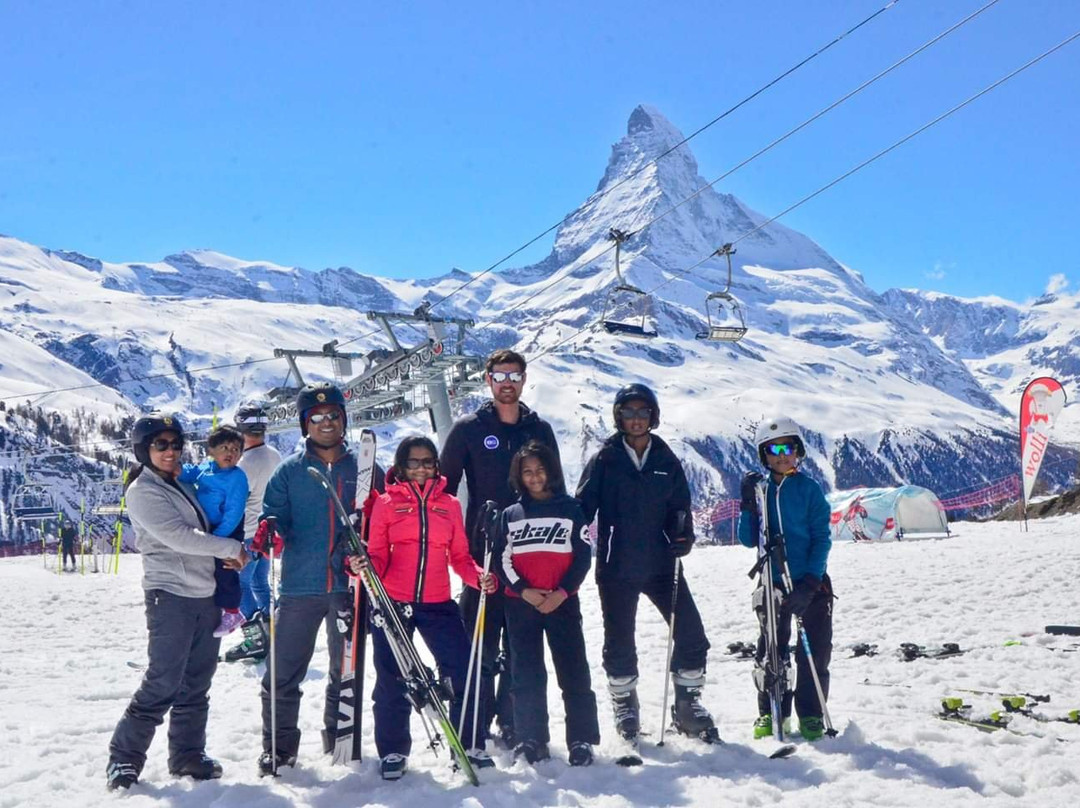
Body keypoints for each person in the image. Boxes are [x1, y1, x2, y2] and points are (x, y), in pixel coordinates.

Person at [106, 412, 247, 791]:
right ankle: (123, 759)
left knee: (197, 681)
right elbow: (180, 536)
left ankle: (187, 755)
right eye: (161, 445)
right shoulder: (143, 491)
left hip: (205, 594)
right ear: (143, 450)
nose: (171, 451)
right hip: (169, 596)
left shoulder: (181, 483)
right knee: (163, 680)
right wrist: (230, 547)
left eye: (175, 444)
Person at [253, 382, 383, 776]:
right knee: (283, 671)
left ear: (343, 419)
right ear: (305, 424)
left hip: (350, 586)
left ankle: (339, 737)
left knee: (345, 669)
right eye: (317, 418)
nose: (326, 423)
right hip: (299, 586)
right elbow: (274, 513)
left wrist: (367, 547)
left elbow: (383, 520)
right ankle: (279, 747)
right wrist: (270, 528)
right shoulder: (290, 471)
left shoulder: (364, 469)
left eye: (333, 416)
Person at [576, 383, 716, 743]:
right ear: (618, 417)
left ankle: (687, 705)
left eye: (643, 413)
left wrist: (683, 536)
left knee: (692, 634)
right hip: (616, 565)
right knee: (620, 640)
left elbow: (680, 508)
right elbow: (581, 510)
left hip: (660, 564)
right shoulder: (605, 458)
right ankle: (625, 706)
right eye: (628, 412)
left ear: (653, 416)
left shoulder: (665, 458)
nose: (636, 420)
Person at [353, 436, 497, 780]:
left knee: (463, 670)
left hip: (437, 602)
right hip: (393, 602)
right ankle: (393, 751)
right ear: (401, 467)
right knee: (392, 677)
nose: (421, 468)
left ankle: (468, 743)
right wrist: (361, 566)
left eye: (428, 462)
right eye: (414, 462)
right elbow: (377, 554)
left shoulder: (449, 505)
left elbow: (459, 557)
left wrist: (479, 577)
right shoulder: (386, 504)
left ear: (436, 465)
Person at [440, 348, 561, 750]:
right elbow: (441, 488)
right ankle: (474, 716)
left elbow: (555, 489)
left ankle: (514, 720)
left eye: (514, 375)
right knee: (479, 643)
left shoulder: (539, 429)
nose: (507, 383)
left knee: (522, 643)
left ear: (524, 380)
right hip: (484, 554)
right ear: (488, 380)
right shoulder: (469, 429)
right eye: (499, 376)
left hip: (533, 554)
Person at [492, 440, 598, 766]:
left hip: (562, 603)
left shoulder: (570, 509)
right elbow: (501, 560)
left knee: (574, 671)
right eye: (528, 472)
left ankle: (581, 739)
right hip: (521, 605)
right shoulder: (511, 515)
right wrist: (525, 590)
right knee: (526, 675)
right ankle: (530, 739)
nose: (535, 477)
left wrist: (561, 593)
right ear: (519, 477)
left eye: (540, 470)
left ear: (550, 472)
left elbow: (582, 558)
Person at [738, 415, 833, 741]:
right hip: (772, 579)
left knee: (814, 651)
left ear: (798, 451)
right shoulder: (762, 491)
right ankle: (771, 712)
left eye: (789, 448)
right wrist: (748, 505)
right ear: (764, 454)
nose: (782, 455)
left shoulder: (809, 490)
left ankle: (810, 715)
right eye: (775, 449)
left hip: (810, 580)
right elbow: (748, 539)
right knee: (771, 650)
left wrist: (811, 581)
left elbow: (822, 537)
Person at [223, 401, 282, 663]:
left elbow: (234, 502)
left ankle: (255, 640)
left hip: (246, 533)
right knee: (260, 582)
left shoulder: (245, 463)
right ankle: (272, 630)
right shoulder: (274, 455)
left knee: (241, 584)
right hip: (266, 532)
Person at [178, 424, 249, 637]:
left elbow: (234, 512)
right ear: (211, 450)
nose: (230, 453)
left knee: (225, 568)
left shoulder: (237, 477)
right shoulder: (206, 469)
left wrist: (217, 539)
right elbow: (190, 473)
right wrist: (177, 471)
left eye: (236, 449)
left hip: (228, 529)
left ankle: (233, 611)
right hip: (211, 529)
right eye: (225, 447)